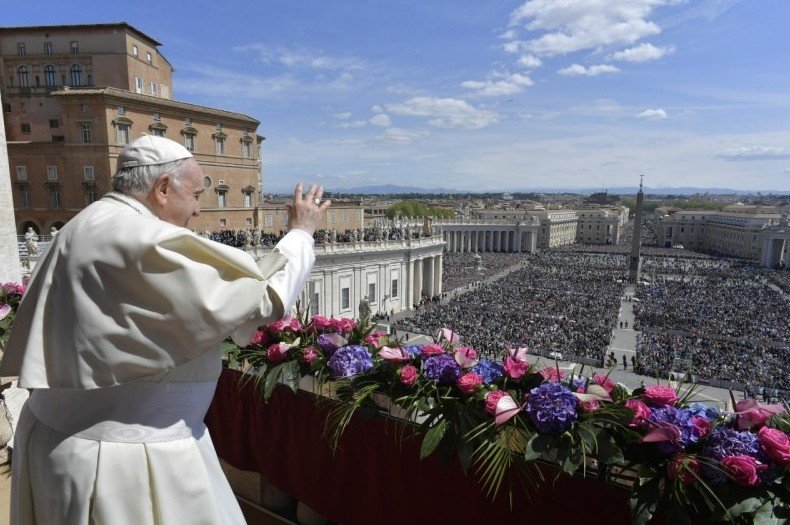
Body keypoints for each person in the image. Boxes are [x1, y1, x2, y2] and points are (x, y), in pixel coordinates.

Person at [0, 135, 330, 524]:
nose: (197, 209)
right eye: (194, 195)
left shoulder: (85, 223)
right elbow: (261, 301)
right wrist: (301, 235)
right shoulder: (141, 238)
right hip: (124, 458)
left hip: (60, 439)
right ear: (162, 188)